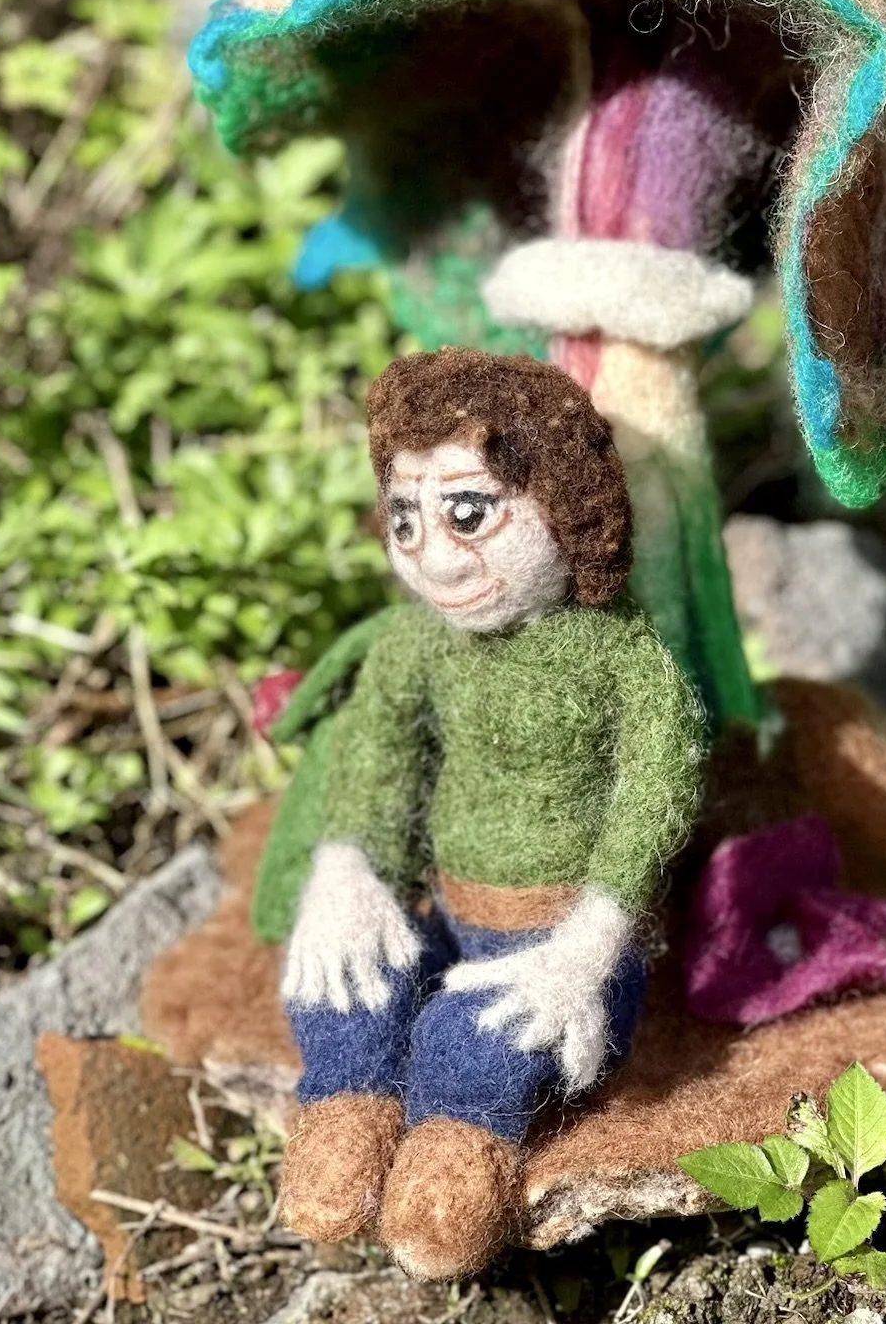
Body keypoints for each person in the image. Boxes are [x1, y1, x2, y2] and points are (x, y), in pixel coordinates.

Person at [279, 346, 702, 1278]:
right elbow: (374, 759)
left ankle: (456, 1156)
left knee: (480, 1043)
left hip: (560, 947)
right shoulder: (415, 647)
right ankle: (345, 1110)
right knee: (341, 982)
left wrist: (589, 948)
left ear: (564, 503)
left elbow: (654, 798)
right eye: (406, 516)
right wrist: (344, 870)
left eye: (468, 512)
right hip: (449, 913)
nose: (432, 554)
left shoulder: (621, 660)